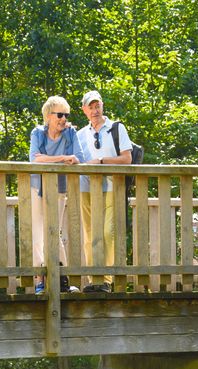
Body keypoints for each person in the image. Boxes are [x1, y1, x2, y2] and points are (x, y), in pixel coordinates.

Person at [77, 90, 132, 292]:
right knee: (90, 235)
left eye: (97, 105)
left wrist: (101, 162)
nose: (94, 110)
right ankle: (94, 281)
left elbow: (127, 159)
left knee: (107, 233)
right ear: (84, 110)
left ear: (102, 106)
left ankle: (106, 280)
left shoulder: (116, 128)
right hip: (86, 188)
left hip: (111, 186)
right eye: (90, 107)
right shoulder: (80, 134)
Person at [29, 95, 85, 293]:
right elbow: (35, 159)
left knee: (55, 232)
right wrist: (62, 158)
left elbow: (79, 158)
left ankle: (62, 279)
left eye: (66, 115)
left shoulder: (70, 133)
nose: (63, 119)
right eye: (60, 114)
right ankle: (39, 281)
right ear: (48, 116)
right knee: (38, 234)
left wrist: (55, 159)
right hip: (37, 187)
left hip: (59, 188)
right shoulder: (38, 133)